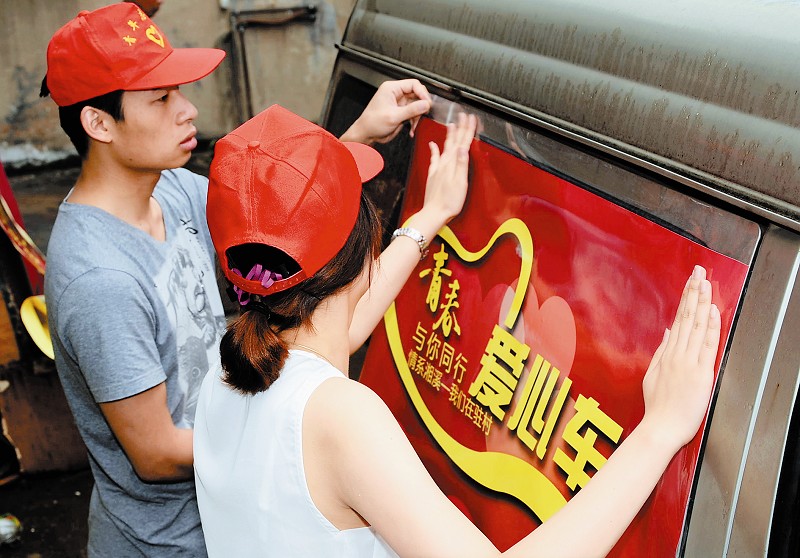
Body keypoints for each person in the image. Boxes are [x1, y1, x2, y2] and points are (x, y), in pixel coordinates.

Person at [194, 104, 722, 557]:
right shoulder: (339, 416)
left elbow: (338, 327)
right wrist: (659, 431)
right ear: (361, 249)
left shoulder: (231, 366)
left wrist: (432, 216)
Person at [41, 3, 436, 556]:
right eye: (161, 98)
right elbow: (154, 454)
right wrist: (298, 443)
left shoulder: (173, 189)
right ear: (98, 123)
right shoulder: (99, 280)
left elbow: (277, 215)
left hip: (228, 516)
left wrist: (362, 133)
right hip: (168, 544)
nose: (189, 110)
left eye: (180, 91)